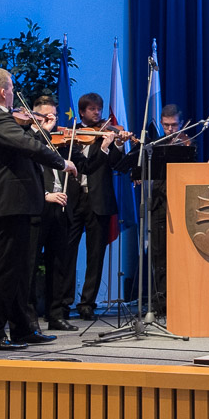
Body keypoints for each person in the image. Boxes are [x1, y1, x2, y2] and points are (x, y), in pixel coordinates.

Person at [0, 68, 77, 350]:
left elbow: (21, 144)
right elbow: (26, 144)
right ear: (3, 92)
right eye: (11, 87)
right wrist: (61, 162)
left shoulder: (1, 118)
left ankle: (22, 329)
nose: (13, 92)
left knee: (20, 272)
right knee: (6, 272)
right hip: (8, 204)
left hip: (17, 204)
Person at [30, 96, 86, 332]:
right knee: (32, 264)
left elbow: (82, 165)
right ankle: (30, 318)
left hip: (61, 208)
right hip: (38, 207)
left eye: (53, 116)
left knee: (58, 263)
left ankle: (56, 315)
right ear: (35, 115)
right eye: (46, 116)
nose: (50, 120)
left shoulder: (58, 141)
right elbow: (28, 173)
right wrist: (46, 195)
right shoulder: (29, 137)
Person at [70, 92, 125, 321]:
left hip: (98, 200)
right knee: (67, 252)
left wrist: (117, 144)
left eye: (99, 109)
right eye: (92, 109)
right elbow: (81, 165)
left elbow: (116, 165)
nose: (97, 113)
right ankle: (62, 302)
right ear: (82, 112)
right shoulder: (72, 134)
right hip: (74, 199)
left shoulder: (106, 134)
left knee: (95, 255)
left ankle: (87, 303)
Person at [146, 103, 189, 314]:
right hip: (158, 203)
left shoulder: (187, 143)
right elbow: (145, 169)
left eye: (174, 125)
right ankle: (160, 301)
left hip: (179, 203)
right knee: (158, 254)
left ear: (181, 123)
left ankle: (179, 299)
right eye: (166, 125)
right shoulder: (155, 145)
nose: (170, 130)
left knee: (178, 255)